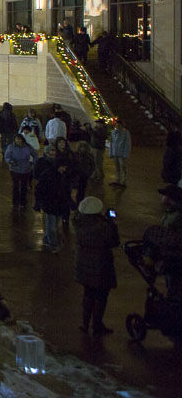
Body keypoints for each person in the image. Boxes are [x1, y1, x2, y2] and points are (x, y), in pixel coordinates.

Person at [73, 196, 119, 335]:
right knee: (101, 295)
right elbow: (114, 242)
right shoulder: (103, 226)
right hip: (101, 263)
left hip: (83, 262)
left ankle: (85, 324)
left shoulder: (78, 222)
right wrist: (112, 224)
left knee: (88, 293)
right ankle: (97, 325)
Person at [4, 133, 34, 210]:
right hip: (15, 169)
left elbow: (35, 155)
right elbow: (7, 156)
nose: (18, 140)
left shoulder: (27, 147)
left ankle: (23, 202)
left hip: (25, 169)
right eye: (17, 139)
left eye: (19, 139)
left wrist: (32, 164)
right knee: (15, 186)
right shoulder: (11, 147)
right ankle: (15, 202)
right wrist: (10, 161)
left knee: (24, 186)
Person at [108, 120, 131, 188]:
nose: (117, 127)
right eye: (116, 125)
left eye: (119, 125)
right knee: (117, 167)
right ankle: (117, 179)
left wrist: (125, 154)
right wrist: (111, 153)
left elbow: (127, 144)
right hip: (115, 152)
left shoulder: (126, 133)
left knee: (123, 167)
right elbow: (111, 143)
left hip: (121, 153)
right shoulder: (113, 132)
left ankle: (124, 181)